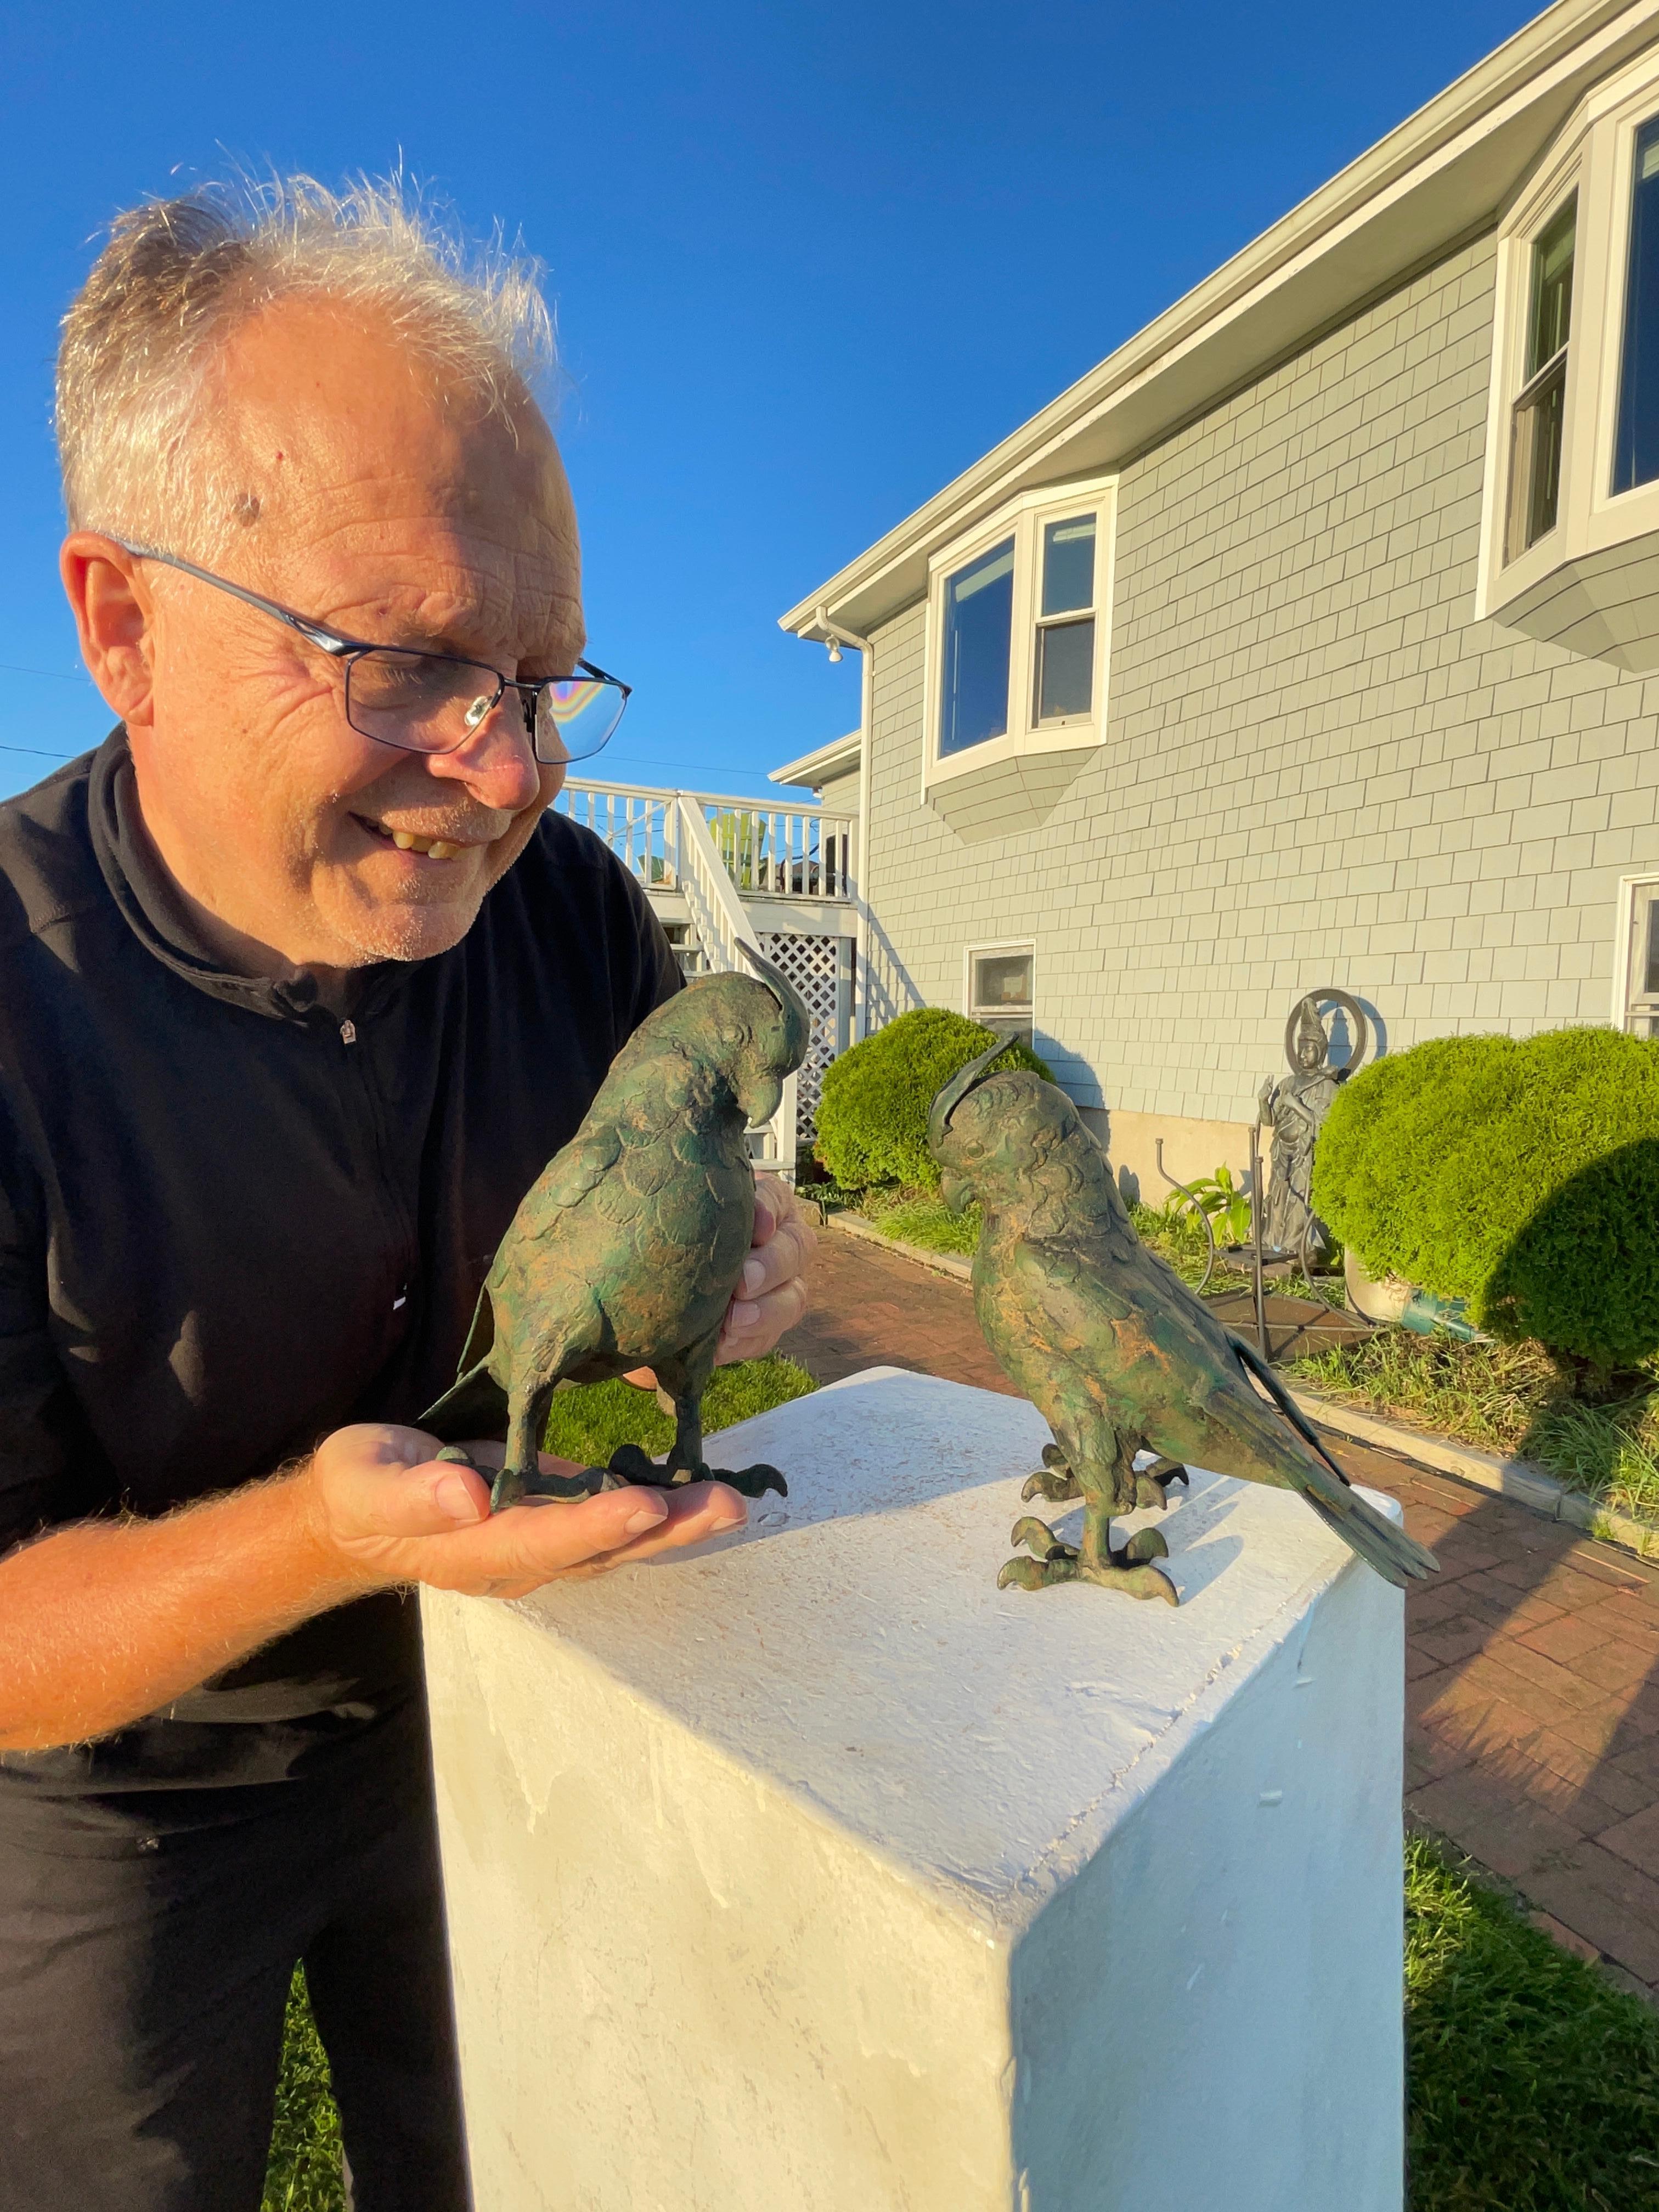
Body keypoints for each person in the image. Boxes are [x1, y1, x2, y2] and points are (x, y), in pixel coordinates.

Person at [0, 176, 814, 2212]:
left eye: (542, 679)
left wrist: (728, 1281)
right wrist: (323, 1541)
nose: (512, 769)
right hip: (115, 1791)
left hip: (503, 1690)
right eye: (408, 660)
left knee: (522, 2157)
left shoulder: (575, 917)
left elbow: (671, 1204)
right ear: (124, 627)